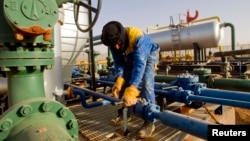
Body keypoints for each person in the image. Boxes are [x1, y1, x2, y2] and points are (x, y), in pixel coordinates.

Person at [101, 21, 160, 139]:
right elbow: (119, 64)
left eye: (118, 43)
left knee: (147, 84)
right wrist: (119, 81)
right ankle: (125, 113)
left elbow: (139, 65)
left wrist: (132, 89)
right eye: (113, 46)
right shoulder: (113, 44)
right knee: (123, 83)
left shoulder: (138, 38)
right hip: (131, 55)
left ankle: (150, 122)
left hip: (148, 55)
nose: (116, 47)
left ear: (122, 36)